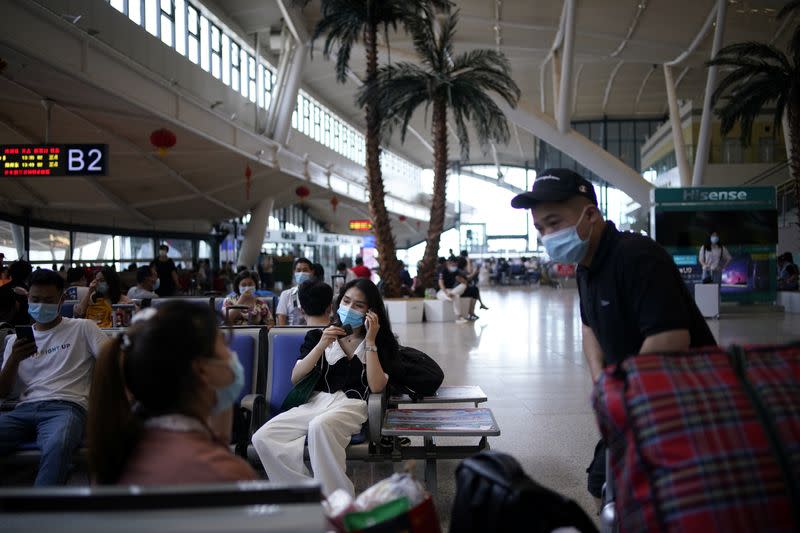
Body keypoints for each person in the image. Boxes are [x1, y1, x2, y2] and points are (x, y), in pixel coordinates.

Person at [511, 168, 717, 509]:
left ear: (589, 214)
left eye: (554, 223)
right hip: (634, 399)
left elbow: (670, 339)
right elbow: (589, 326)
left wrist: (620, 390)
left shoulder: (637, 257)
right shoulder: (585, 266)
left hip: (680, 402)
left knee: (659, 500)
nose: (546, 236)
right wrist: (602, 382)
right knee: (600, 484)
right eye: (539, 229)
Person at [87, 301, 258, 485]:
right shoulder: (228, 472)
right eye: (224, 347)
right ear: (202, 371)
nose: (232, 357)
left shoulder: (118, 454)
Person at [252, 279, 392, 497]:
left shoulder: (378, 342)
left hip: (352, 404)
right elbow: (296, 378)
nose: (350, 309)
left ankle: (338, 501)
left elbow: (376, 386)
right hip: (316, 401)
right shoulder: (318, 336)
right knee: (263, 437)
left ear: (370, 311)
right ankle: (307, 496)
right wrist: (320, 346)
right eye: (346, 301)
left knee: (320, 426)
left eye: (359, 305)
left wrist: (371, 340)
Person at [0, 269, 109, 485]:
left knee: (58, 444)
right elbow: (3, 392)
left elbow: (112, 359)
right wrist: (14, 360)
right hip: (22, 410)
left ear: (61, 300)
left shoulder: (83, 328)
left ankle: (41, 510)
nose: (41, 305)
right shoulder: (14, 341)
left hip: (67, 406)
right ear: (27, 299)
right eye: (35, 299)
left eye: (48, 300)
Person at [275, 258, 314, 326]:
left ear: (312, 272)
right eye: (298, 270)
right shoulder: (286, 295)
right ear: (294, 272)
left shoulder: (318, 293)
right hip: (290, 334)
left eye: (305, 270)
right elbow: (281, 322)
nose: (301, 273)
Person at [437, 257, 469, 324]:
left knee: (463, 286)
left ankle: (450, 295)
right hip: (443, 292)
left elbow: (465, 283)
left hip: (453, 290)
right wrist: (446, 292)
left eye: (455, 265)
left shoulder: (456, 271)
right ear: (448, 263)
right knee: (456, 296)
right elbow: (440, 283)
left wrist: (460, 279)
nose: (454, 267)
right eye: (453, 265)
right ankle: (459, 317)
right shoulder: (443, 271)